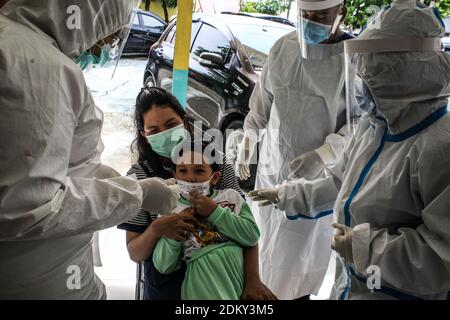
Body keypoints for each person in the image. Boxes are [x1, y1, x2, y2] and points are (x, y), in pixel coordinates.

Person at [250, 0, 450, 299]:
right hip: (349, 287)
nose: (363, 80)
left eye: (375, 69)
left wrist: (366, 248)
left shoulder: (439, 148)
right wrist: (288, 195)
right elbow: (339, 184)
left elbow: (442, 256)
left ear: (405, 71)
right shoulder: (375, 129)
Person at [0, 0, 181, 299]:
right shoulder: (38, 64)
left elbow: (55, 165)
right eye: (107, 36)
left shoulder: (23, 46)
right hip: (37, 279)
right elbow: (30, 207)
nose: (101, 48)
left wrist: (114, 183)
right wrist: (138, 194)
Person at [235, 0, 354, 299]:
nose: (310, 21)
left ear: (342, 12)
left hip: (316, 179)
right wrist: (248, 141)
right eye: (305, 15)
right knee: (261, 247)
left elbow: (361, 123)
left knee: (297, 263)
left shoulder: (353, 59)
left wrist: (324, 155)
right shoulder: (283, 47)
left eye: (320, 16)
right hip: (273, 169)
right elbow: (262, 105)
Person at [118, 87, 276, 300]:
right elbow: (135, 253)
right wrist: (157, 229)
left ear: (184, 122)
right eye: (154, 131)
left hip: (224, 283)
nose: (191, 178)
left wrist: (253, 279)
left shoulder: (216, 162)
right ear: (144, 136)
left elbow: (247, 230)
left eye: (171, 125)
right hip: (165, 285)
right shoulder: (139, 177)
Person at [153, 141, 260, 300]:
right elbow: (163, 265)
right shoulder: (169, 208)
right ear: (175, 177)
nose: (190, 178)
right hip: (201, 282)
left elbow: (251, 236)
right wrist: (175, 234)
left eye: (199, 170)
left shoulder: (231, 197)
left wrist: (215, 212)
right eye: (182, 171)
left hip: (237, 279)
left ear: (215, 178)